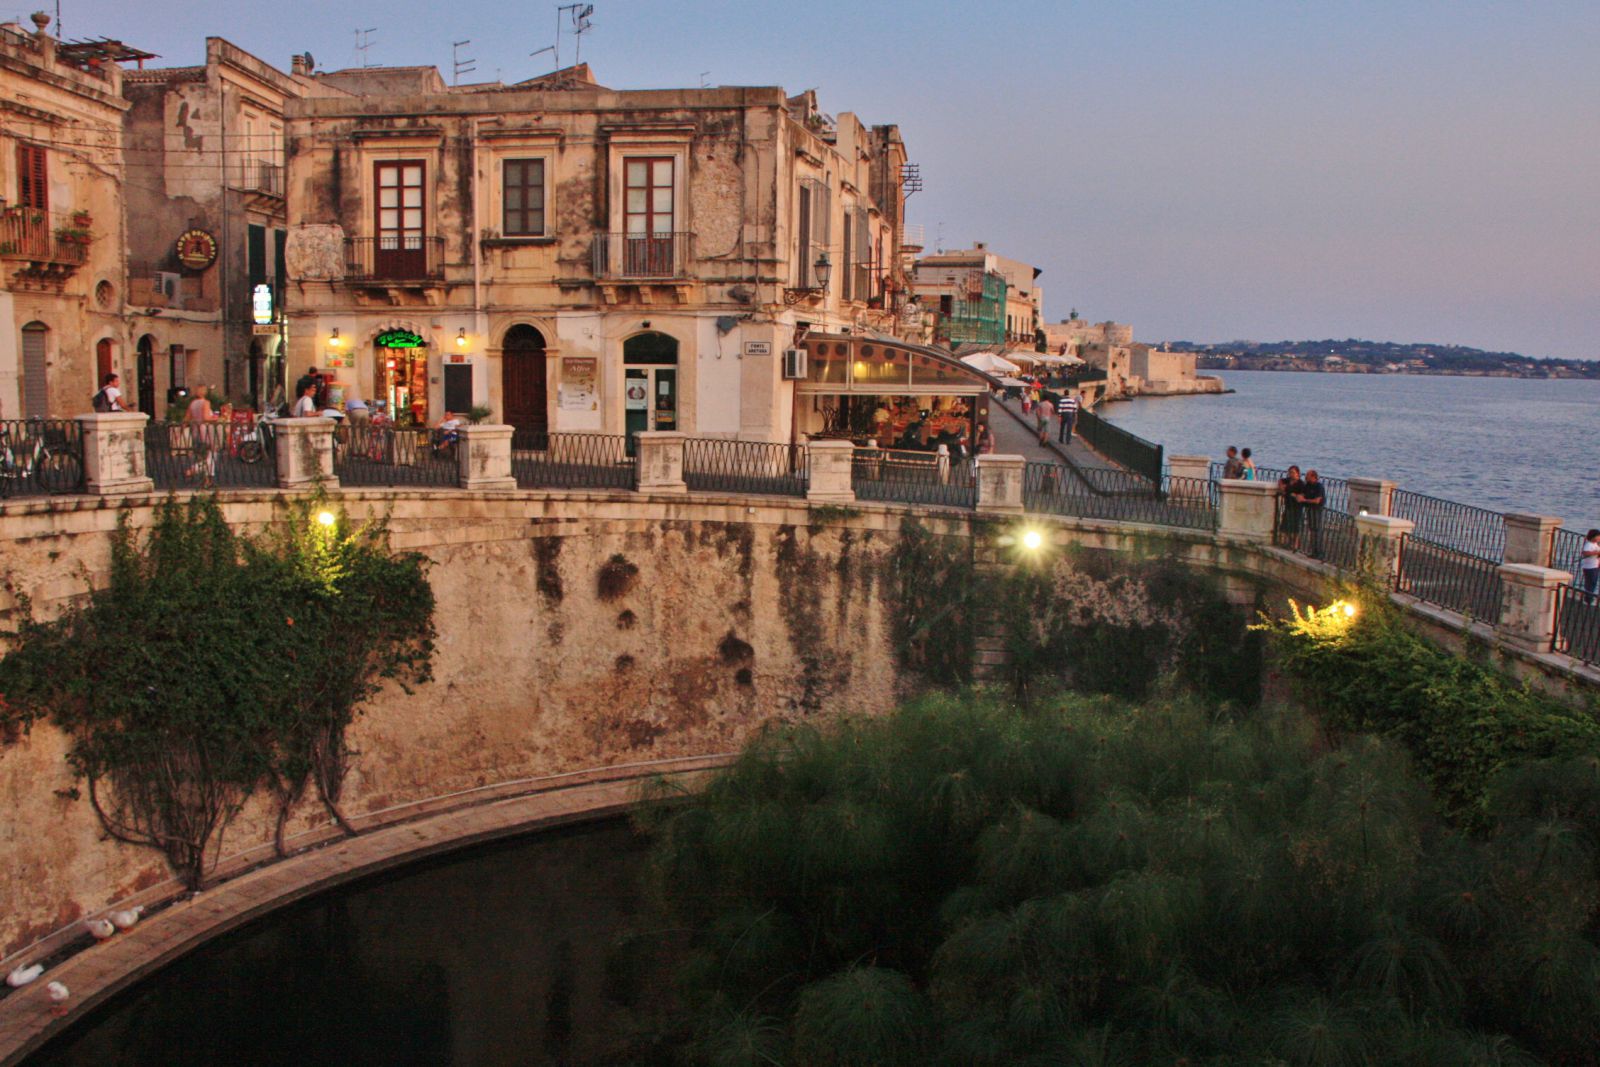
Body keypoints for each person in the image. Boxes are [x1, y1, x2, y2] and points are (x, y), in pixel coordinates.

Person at [184, 385, 220, 488]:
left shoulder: (192, 404)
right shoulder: (206, 403)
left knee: (205, 455)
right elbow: (206, 417)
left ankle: (208, 480)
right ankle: (193, 470)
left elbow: (186, 419)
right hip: (206, 431)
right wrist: (216, 418)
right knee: (212, 455)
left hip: (196, 431)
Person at [1299, 470, 1326, 557]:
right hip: (1309, 509)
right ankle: (1314, 551)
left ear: (1313, 477)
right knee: (1312, 529)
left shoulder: (1319, 486)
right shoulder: (1308, 485)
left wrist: (1305, 500)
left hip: (1316, 509)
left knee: (1316, 529)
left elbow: (1317, 501)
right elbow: (1303, 494)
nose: (1306, 477)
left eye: (1307, 476)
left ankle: (1319, 552)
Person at [1277, 465, 1304, 546]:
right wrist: (1282, 487)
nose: (1291, 474)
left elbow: (1301, 495)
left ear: (1297, 473)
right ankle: (1287, 542)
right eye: (1290, 472)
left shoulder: (1301, 484)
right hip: (1288, 504)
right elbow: (1280, 481)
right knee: (1285, 524)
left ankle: (1295, 544)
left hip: (1297, 506)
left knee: (1296, 526)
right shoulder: (1288, 480)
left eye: (1293, 472)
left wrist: (1294, 495)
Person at [1581, 530, 1600, 598]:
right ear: (1593, 537)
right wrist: (1596, 553)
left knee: (1593, 583)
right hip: (1590, 567)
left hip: (1595, 566)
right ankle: (1588, 598)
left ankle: (1589, 596)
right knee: (1590, 583)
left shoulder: (1596, 544)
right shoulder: (1588, 544)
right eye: (1598, 537)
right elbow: (1585, 553)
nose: (1599, 538)